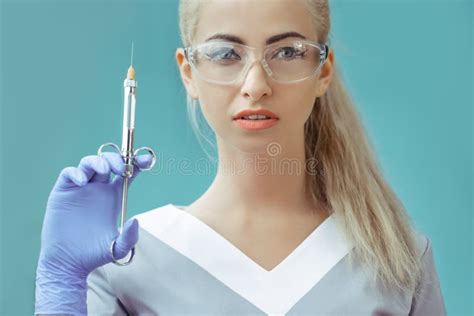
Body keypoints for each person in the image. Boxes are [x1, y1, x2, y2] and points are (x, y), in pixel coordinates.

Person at [35, 0, 447, 315]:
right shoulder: (130, 259)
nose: (256, 85)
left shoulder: (399, 261)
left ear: (323, 72)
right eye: (225, 54)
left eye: (287, 52)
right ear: (188, 73)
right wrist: (60, 289)